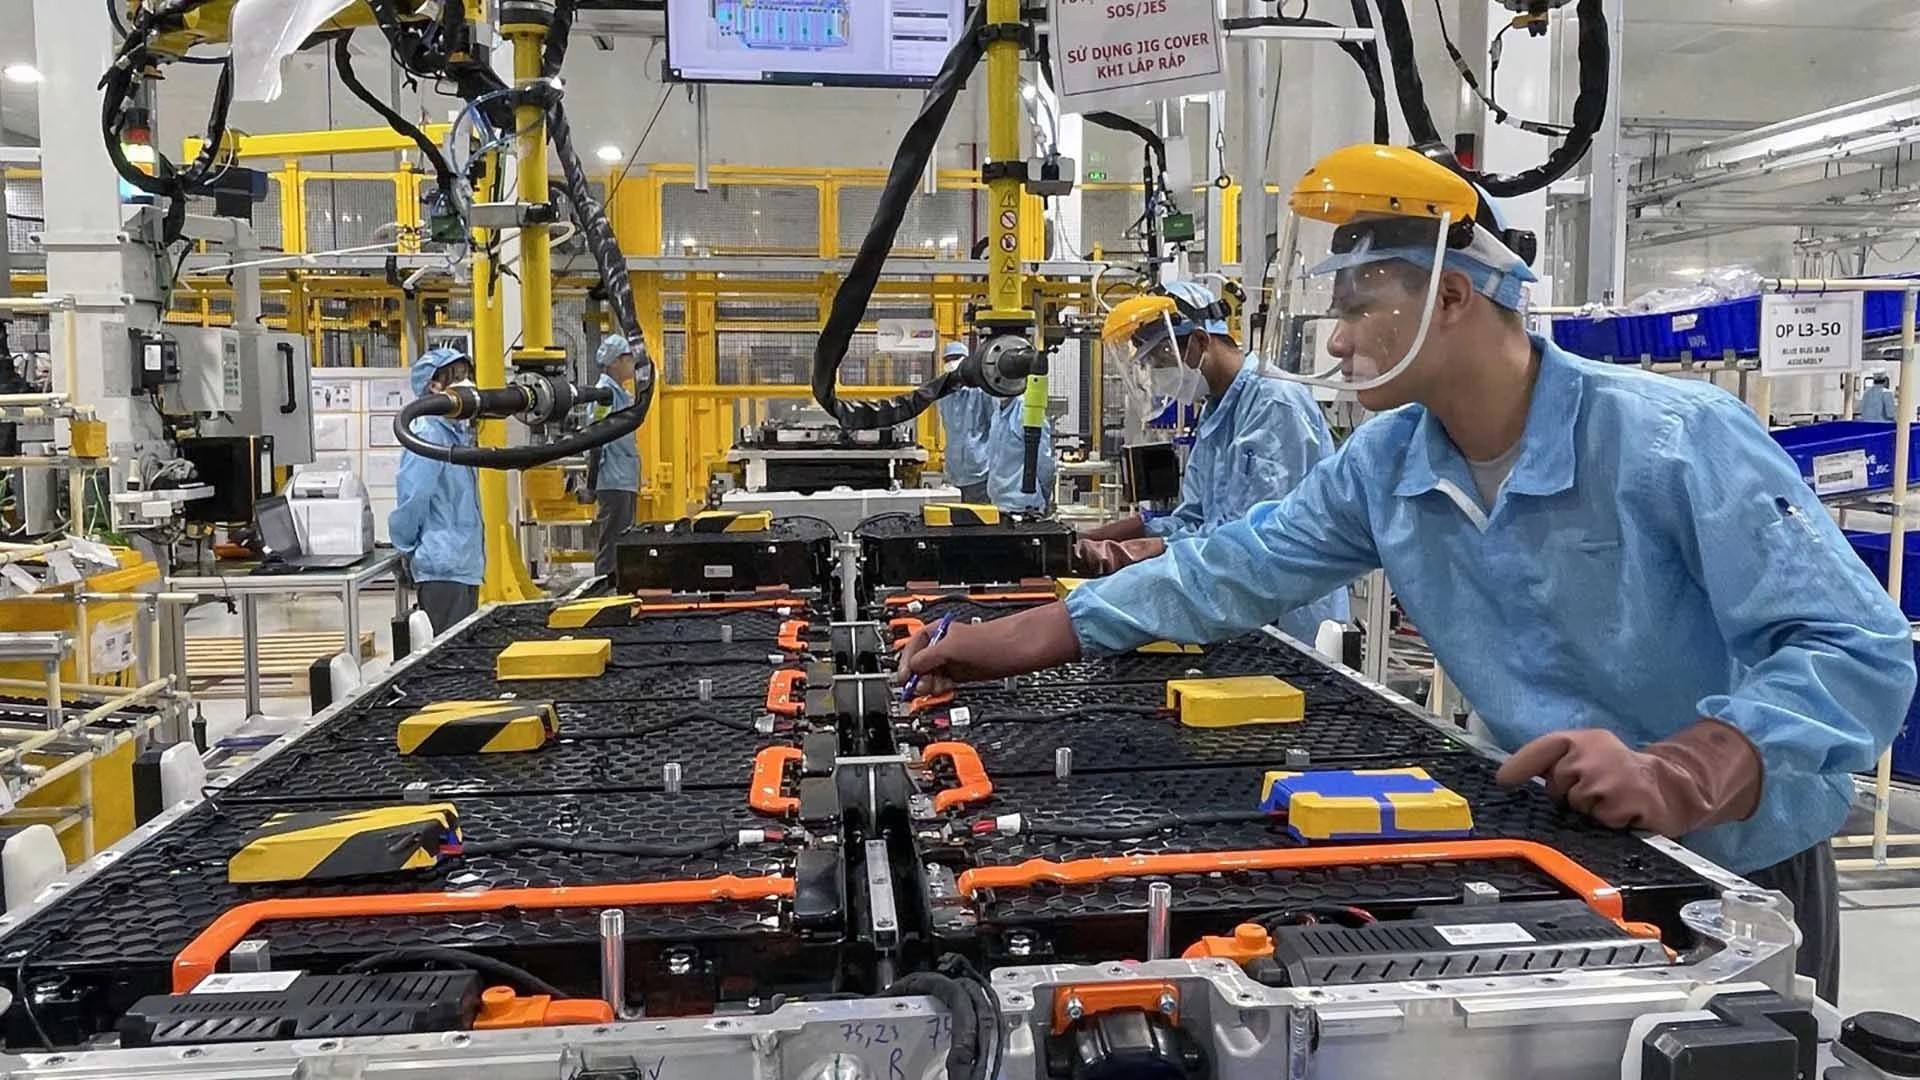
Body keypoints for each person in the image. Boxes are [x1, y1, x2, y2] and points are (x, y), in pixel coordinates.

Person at [898, 143, 1913, 1001]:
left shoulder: (1674, 440)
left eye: (1360, 307)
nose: (1338, 339)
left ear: (1454, 297)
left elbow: (1856, 650)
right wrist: (1027, 636)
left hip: (1730, 870)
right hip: (1559, 843)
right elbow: (1231, 564)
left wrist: (1682, 772)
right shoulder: (1389, 463)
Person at [1076, 280, 1350, 642]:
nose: (1157, 376)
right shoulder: (1214, 413)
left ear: (1200, 342)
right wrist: (1120, 537)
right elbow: (1194, 519)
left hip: (1289, 618)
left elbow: (1258, 538)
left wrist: (1149, 550)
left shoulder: (1274, 403)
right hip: (1235, 607)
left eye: (1161, 361)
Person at [391, 347, 485, 635]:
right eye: (456, 376)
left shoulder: (454, 434)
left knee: (461, 649)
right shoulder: (428, 434)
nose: (467, 383)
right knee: (447, 652)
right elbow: (414, 497)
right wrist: (404, 546)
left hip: (463, 564)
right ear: (433, 386)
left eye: (467, 375)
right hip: (442, 566)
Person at [590, 333, 643, 579]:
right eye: (628, 358)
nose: (633, 363)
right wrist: (592, 480)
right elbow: (595, 436)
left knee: (622, 542)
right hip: (613, 479)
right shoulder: (605, 394)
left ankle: (616, 586)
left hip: (623, 478)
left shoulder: (619, 393)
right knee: (612, 544)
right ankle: (603, 589)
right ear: (614, 362)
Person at [934, 341, 993, 503]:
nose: (951, 362)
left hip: (980, 472)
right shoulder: (944, 396)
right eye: (947, 359)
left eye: (956, 358)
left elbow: (995, 427)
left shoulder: (981, 392)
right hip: (954, 473)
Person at [985, 391, 1055, 513]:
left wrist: (1045, 496)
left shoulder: (1028, 411)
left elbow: (1044, 464)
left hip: (1023, 507)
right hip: (998, 503)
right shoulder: (997, 410)